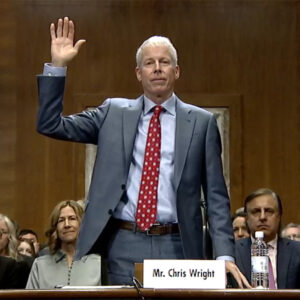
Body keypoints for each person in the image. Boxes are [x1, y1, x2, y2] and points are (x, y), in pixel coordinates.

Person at [36, 16, 249, 287]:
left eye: (164, 62)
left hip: (178, 243)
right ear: (139, 73)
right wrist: (58, 66)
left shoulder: (201, 123)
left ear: (177, 71)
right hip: (123, 242)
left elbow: (217, 198)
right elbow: (50, 124)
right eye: (149, 63)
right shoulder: (112, 113)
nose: (157, 68)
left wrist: (224, 255)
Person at [26, 200, 101, 289]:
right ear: (55, 227)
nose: (67, 224)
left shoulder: (98, 264)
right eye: (61, 220)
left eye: (72, 218)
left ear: (82, 224)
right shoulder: (40, 265)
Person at [235, 188, 300, 288]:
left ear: (279, 216)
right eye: (256, 211)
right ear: (247, 218)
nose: (262, 217)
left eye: (269, 211)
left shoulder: (297, 250)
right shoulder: (234, 252)